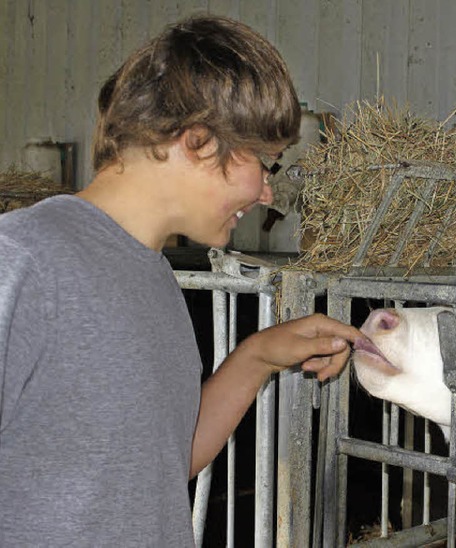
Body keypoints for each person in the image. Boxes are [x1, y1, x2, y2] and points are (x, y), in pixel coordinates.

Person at [0, 15, 361, 546]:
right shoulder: (24, 258)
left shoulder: (154, 276)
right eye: (265, 163)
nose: (266, 193)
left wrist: (257, 355)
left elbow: (166, 463)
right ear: (196, 141)